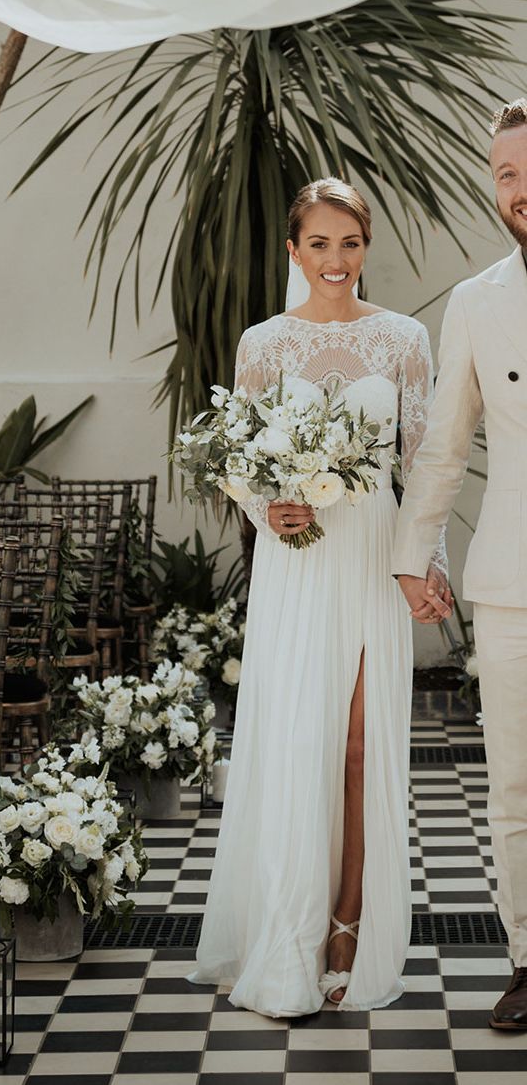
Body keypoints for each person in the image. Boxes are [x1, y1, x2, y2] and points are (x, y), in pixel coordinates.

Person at [189, 177, 447, 1017]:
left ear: (364, 248)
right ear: (295, 251)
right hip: (299, 562)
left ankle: (348, 922)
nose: (336, 260)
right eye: (320, 244)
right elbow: (238, 460)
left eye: (351, 243)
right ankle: (289, 933)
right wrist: (271, 506)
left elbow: (423, 468)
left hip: (373, 555)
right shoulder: (263, 344)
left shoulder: (405, 339)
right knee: (301, 744)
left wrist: (428, 565)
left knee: (362, 748)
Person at [393, 99, 527, 1032]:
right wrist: (413, 559)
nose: (518, 189)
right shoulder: (478, 303)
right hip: (513, 582)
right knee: (516, 786)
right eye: (506, 174)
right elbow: (441, 447)